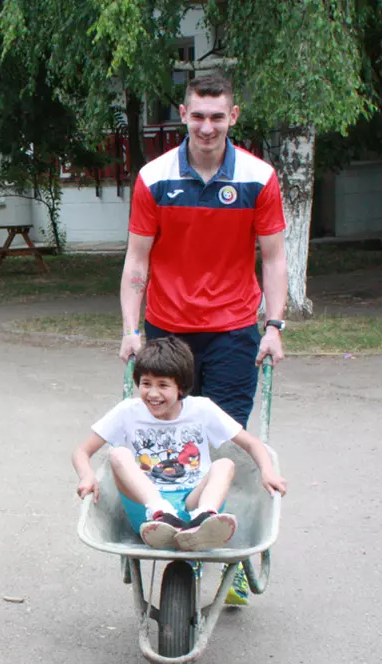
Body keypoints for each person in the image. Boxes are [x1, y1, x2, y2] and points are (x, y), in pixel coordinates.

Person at [117, 72, 288, 599]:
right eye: (198, 116)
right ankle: (182, 542)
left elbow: (274, 258)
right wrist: (131, 330)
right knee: (169, 440)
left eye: (217, 117)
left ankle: (219, 555)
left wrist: (274, 326)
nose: (207, 127)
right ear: (183, 115)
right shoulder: (154, 178)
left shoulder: (259, 177)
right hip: (168, 331)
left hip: (234, 331)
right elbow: (137, 261)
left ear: (232, 117)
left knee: (222, 442)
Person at [72, 338, 287, 552]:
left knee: (225, 464)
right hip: (146, 506)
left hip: (194, 500)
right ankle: (161, 513)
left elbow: (251, 443)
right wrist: (87, 476)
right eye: (146, 384)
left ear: (181, 387)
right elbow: (82, 451)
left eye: (163, 385)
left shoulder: (201, 409)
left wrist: (267, 472)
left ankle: (205, 517)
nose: (153, 393)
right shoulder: (128, 412)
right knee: (118, 454)